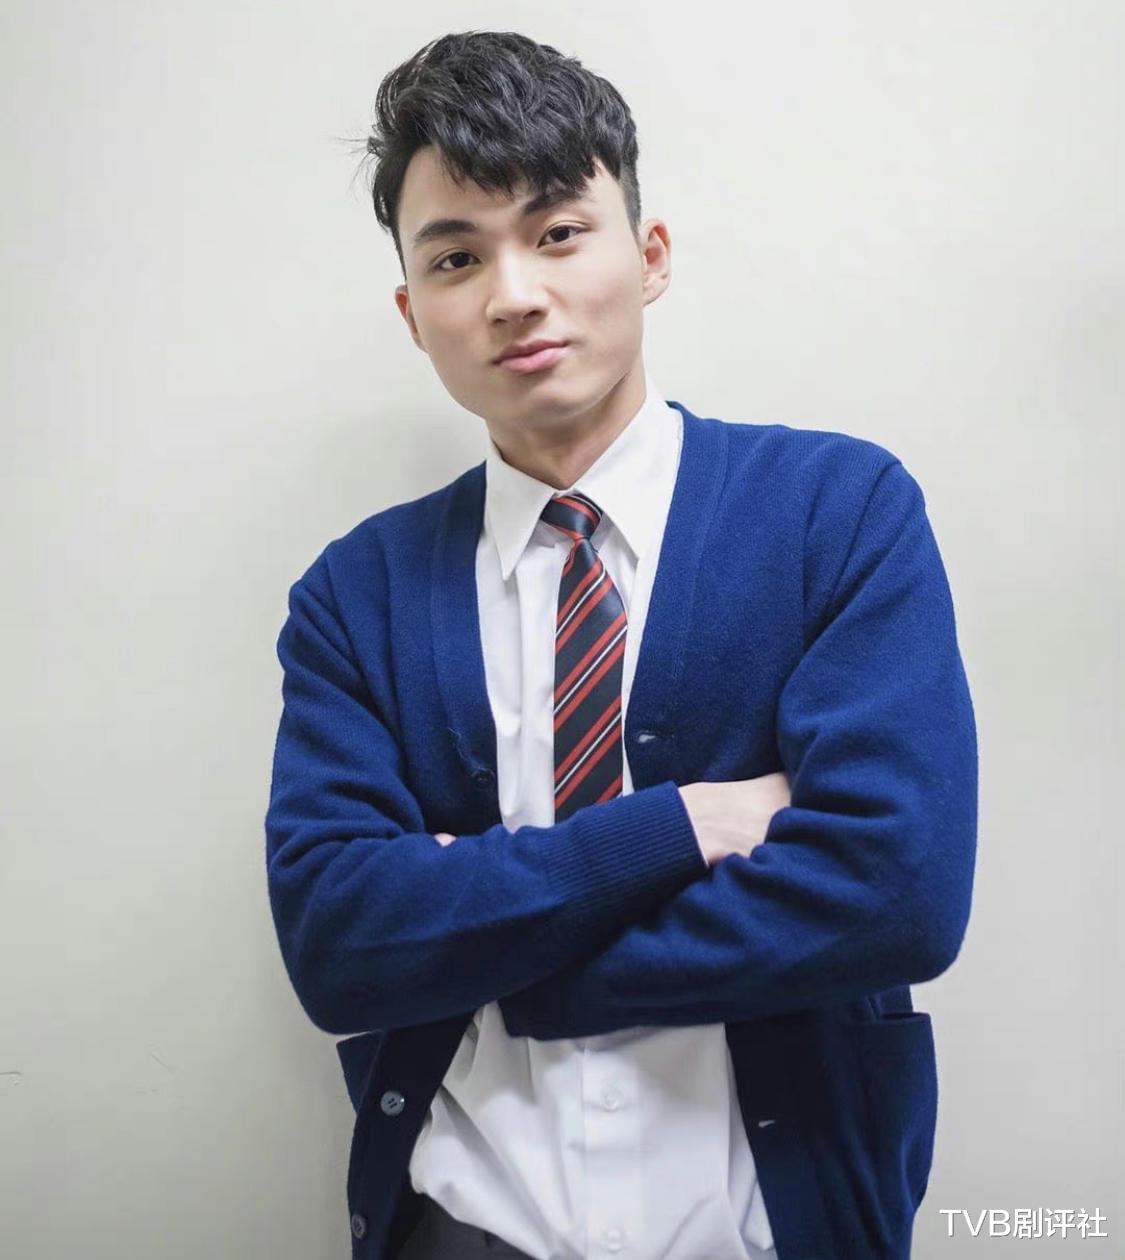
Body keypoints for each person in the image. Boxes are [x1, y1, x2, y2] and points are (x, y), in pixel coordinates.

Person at [264, 29, 978, 1260]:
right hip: (467, 1229)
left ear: (649, 257)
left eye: (556, 231)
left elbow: (897, 891)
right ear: (413, 313)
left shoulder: (837, 512)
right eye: (456, 256)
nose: (513, 293)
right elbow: (343, 945)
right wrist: (683, 827)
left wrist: (502, 964)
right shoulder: (355, 596)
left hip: (775, 1231)